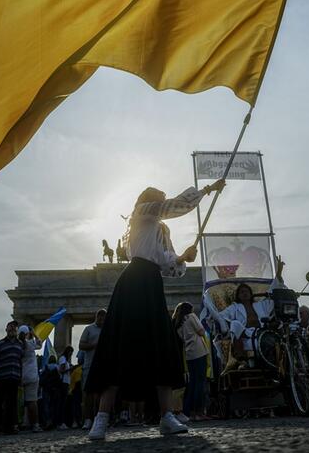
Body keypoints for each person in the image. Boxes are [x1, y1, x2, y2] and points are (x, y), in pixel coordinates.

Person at [86, 179, 225, 440]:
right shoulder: (143, 212)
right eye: (160, 197)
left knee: (162, 347)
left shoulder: (159, 230)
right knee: (118, 346)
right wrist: (207, 191)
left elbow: (167, 265)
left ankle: (166, 417)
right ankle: (101, 418)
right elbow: (176, 205)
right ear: (150, 199)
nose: (162, 200)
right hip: (133, 281)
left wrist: (184, 256)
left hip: (151, 283)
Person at [173, 302, 208, 421]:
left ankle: (189, 411)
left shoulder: (178, 324)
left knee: (192, 384)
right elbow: (201, 331)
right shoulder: (191, 316)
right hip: (199, 351)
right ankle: (199, 411)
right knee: (200, 382)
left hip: (189, 354)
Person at [0, 320, 23, 435]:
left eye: (14, 328)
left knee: (12, 404)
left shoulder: (20, 344)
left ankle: (9, 428)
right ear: (6, 330)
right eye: (9, 328)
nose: (12, 330)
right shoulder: (0, 343)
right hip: (1, 377)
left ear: (17, 331)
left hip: (14, 377)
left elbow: (21, 361)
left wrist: (21, 377)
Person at [79, 309, 106, 430]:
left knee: (100, 395)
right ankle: (87, 420)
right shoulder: (89, 329)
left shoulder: (108, 329)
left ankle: (98, 419)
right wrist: (94, 345)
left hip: (102, 366)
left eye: (104, 318)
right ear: (96, 317)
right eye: (100, 317)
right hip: (89, 365)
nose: (102, 320)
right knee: (88, 395)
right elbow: (81, 345)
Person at [18, 324, 42, 432]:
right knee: (32, 402)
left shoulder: (18, 345)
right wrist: (35, 334)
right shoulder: (30, 344)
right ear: (28, 333)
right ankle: (35, 425)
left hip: (20, 376)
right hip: (32, 375)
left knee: (20, 402)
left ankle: (20, 423)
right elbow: (40, 344)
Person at [56, 346, 74, 429]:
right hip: (63, 383)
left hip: (65, 382)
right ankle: (61, 422)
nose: (71, 354)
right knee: (62, 403)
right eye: (70, 352)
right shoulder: (63, 358)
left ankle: (61, 422)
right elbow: (61, 370)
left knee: (62, 403)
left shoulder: (64, 359)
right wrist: (69, 369)